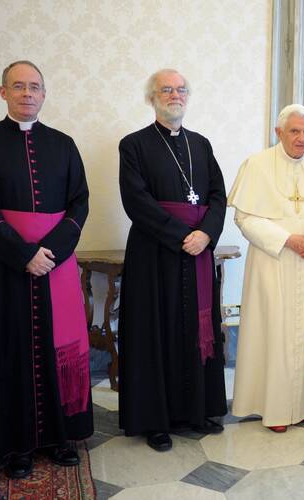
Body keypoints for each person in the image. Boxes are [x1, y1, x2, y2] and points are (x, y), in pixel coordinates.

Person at [0, 61, 93, 478]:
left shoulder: (64, 144)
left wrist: (50, 252)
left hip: (55, 264)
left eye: (35, 87)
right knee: (10, 349)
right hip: (6, 265)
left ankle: (60, 437)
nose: (27, 93)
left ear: (44, 94)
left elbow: (80, 202)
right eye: (18, 86)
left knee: (60, 350)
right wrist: (23, 255)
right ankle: (14, 444)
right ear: (3, 92)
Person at [118, 69, 227, 451]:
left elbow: (218, 196)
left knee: (198, 330)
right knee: (156, 332)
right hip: (155, 254)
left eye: (181, 90)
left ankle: (198, 411)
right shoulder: (133, 145)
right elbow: (137, 202)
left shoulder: (202, 144)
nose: (175, 95)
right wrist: (183, 236)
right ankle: (155, 421)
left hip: (198, 250)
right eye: (167, 89)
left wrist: (207, 233)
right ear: (152, 97)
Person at [229, 104, 304, 432]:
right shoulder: (257, 165)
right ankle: (275, 408)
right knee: (275, 331)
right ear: (278, 132)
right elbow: (245, 217)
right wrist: (287, 240)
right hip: (274, 262)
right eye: (294, 131)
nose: (302, 138)